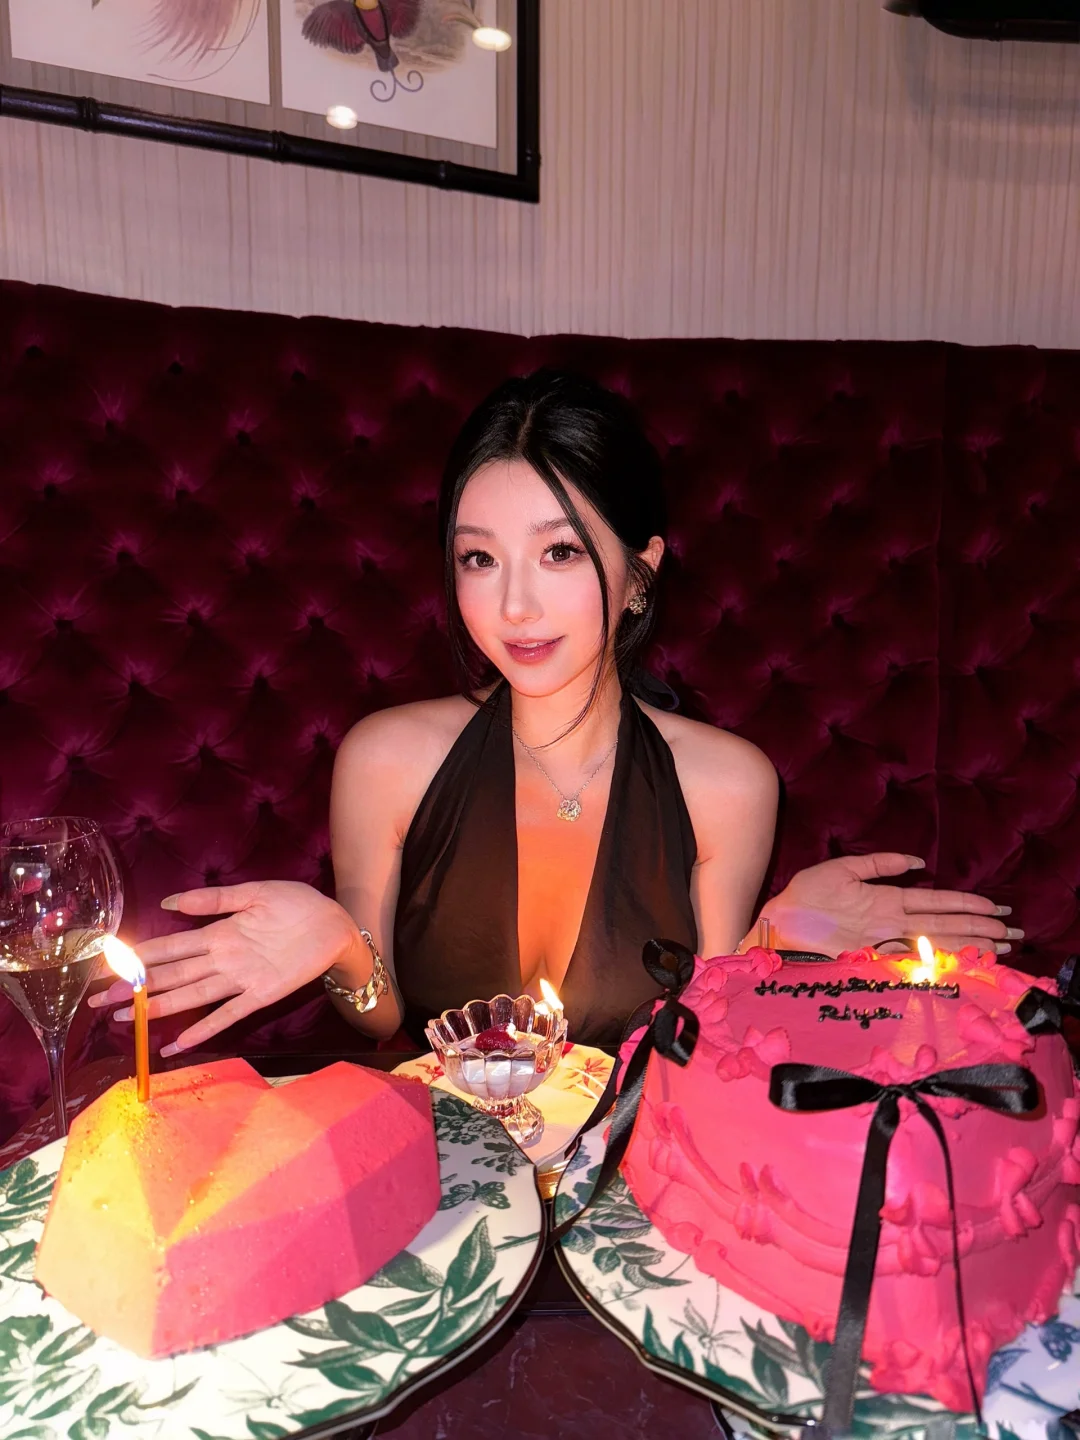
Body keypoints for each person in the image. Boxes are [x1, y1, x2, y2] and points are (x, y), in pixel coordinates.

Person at [90, 371, 1020, 1053]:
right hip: (451, 1184)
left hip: (635, 1179)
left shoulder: (728, 782)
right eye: (479, 559)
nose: (514, 607)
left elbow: (704, 1029)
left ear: (640, 573)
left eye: (561, 553)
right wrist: (339, 944)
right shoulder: (387, 758)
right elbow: (381, 1018)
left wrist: (776, 939)